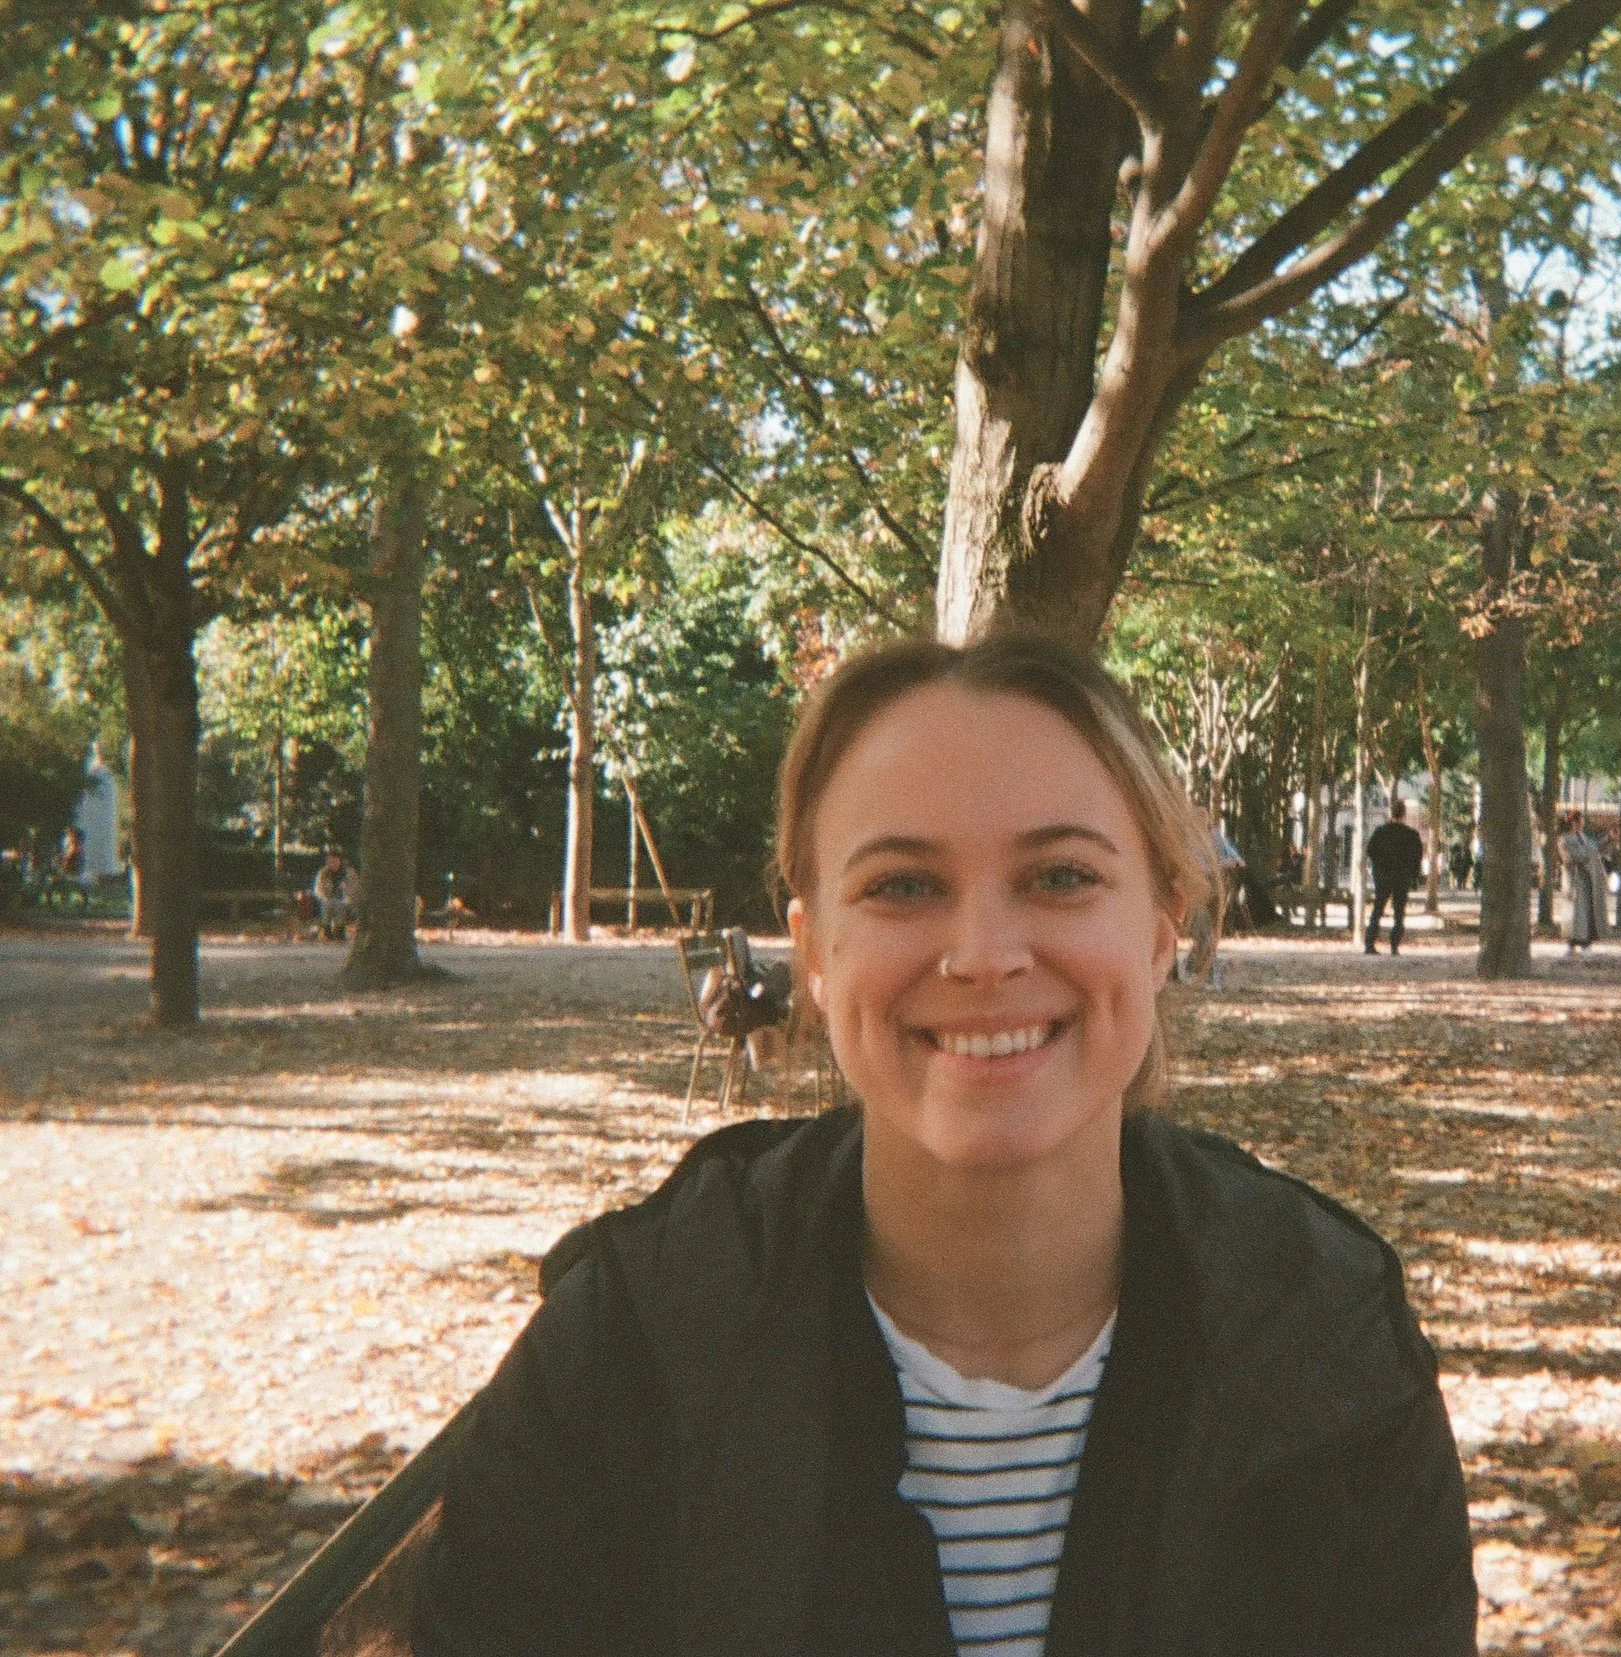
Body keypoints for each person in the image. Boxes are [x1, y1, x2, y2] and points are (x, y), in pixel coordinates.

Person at [412, 636, 1474, 1656]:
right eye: (903, 886)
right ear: (816, 953)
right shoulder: (627, 1354)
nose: (983, 955)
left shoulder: (1325, 1345)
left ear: (1161, 932)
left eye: (1059, 875)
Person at [1186, 821, 1248, 987]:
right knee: (1204, 933)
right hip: (1196, 894)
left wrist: (1227, 865)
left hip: (1216, 893)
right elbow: (1192, 868)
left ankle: (1198, 970)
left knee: (1209, 935)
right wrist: (1218, 866)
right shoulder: (1188, 839)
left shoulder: (1216, 837)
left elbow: (1239, 861)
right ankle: (1207, 975)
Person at [1364, 799, 1425, 956]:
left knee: (1378, 908)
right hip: (1401, 876)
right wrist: (1413, 876)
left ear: (1391, 813)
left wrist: (1379, 866)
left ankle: (1370, 943)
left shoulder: (1380, 832)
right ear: (1404, 814)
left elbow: (1370, 850)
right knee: (1399, 912)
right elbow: (1417, 857)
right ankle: (1394, 945)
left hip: (1383, 875)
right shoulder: (1411, 835)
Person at [1557, 810, 1606, 956]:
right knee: (1574, 913)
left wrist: (1608, 839)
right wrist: (1588, 854)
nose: (1581, 825)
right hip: (1574, 880)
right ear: (1572, 823)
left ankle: (1585, 942)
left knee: (1586, 912)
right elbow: (1571, 857)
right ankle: (1572, 943)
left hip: (1587, 879)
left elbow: (1594, 848)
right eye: (1579, 822)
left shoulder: (1582, 838)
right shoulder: (1564, 839)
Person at [311, 850, 358, 941]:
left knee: (339, 905)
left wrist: (347, 888)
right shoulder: (323, 874)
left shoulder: (349, 873)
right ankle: (327, 931)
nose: (332, 864)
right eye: (330, 862)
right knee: (327, 905)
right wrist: (326, 891)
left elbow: (356, 889)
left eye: (334, 861)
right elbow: (318, 890)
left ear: (340, 861)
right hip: (329, 899)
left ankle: (339, 931)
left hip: (346, 899)